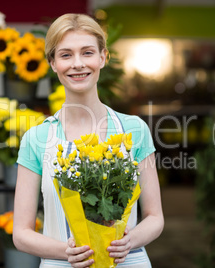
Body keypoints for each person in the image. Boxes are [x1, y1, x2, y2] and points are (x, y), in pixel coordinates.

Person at [13, 13, 164, 268]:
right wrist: (66, 252)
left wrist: (130, 240)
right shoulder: (36, 138)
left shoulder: (134, 130)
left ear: (103, 57)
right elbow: (21, 234)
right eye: (65, 55)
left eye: (87, 52)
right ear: (52, 63)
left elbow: (154, 217)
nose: (78, 64)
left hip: (128, 261)